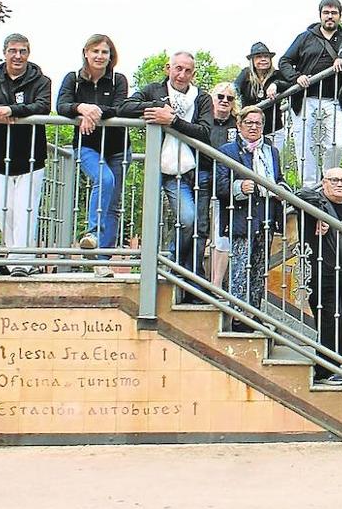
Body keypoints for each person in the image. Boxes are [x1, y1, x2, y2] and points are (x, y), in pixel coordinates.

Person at [120, 51, 214, 287]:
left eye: (188, 70)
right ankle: (162, 268)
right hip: (157, 166)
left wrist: (173, 121)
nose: (182, 75)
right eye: (178, 68)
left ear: (194, 73)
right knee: (150, 222)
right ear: (168, 68)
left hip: (186, 170)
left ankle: (172, 263)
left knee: (189, 219)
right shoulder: (154, 90)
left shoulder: (201, 97)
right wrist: (158, 107)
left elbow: (204, 132)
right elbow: (125, 107)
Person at [0, 33, 51, 277]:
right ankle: (19, 255)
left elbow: (43, 106)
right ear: (5, 52)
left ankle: (21, 264)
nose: (18, 56)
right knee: (0, 209)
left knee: (26, 210)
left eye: (23, 51)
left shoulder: (41, 80)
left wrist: (14, 110)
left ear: (29, 53)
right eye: (13, 51)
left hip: (31, 158)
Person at [56, 34, 129, 278]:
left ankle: (102, 261)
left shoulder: (118, 80)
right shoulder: (74, 80)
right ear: (86, 53)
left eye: (105, 52)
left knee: (113, 206)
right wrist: (80, 108)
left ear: (111, 56)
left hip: (118, 147)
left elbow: (119, 108)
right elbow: (61, 105)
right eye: (95, 51)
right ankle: (93, 234)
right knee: (104, 180)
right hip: (86, 146)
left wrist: (93, 112)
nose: (100, 56)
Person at [279, 0, 342, 189]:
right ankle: (310, 188)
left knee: (338, 143)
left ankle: (328, 179)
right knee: (305, 148)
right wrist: (296, 77)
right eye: (326, 13)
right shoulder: (305, 37)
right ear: (320, 15)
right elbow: (284, 61)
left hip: (334, 99)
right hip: (305, 98)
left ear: (339, 16)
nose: (329, 17)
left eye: (334, 13)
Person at [215, 106, 285, 332]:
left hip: (266, 217)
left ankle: (253, 313)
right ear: (239, 125)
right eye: (249, 123)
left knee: (258, 270)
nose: (254, 127)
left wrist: (282, 189)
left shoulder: (271, 151)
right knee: (240, 269)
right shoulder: (228, 151)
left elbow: (279, 179)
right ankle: (237, 315)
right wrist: (240, 187)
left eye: (258, 123)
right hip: (240, 219)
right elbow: (219, 185)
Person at [297, 167, 342, 384]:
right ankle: (323, 371)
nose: (339, 184)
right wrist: (319, 213)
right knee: (333, 320)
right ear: (324, 182)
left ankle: (332, 367)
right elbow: (298, 195)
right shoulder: (315, 204)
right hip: (324, 275)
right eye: (334, 180)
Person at [205, 82, 240, 288]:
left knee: (222, 235)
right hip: (200, 180)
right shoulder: (203, 120)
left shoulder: (237, 124)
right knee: (198, 229)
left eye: (230, 98)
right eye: (220, 96)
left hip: (226, 185)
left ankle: (216, 284)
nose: (225, 101)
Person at [234, 42, 288, 151]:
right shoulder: (246, 74)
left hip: (274, 129)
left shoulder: (277, 75)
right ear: (252, 61)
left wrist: (276, 84)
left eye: (266, 56)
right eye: (259, 57)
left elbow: (290, 85)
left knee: (272, 162)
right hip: (249, 129)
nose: (263, 59)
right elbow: (234, 90)